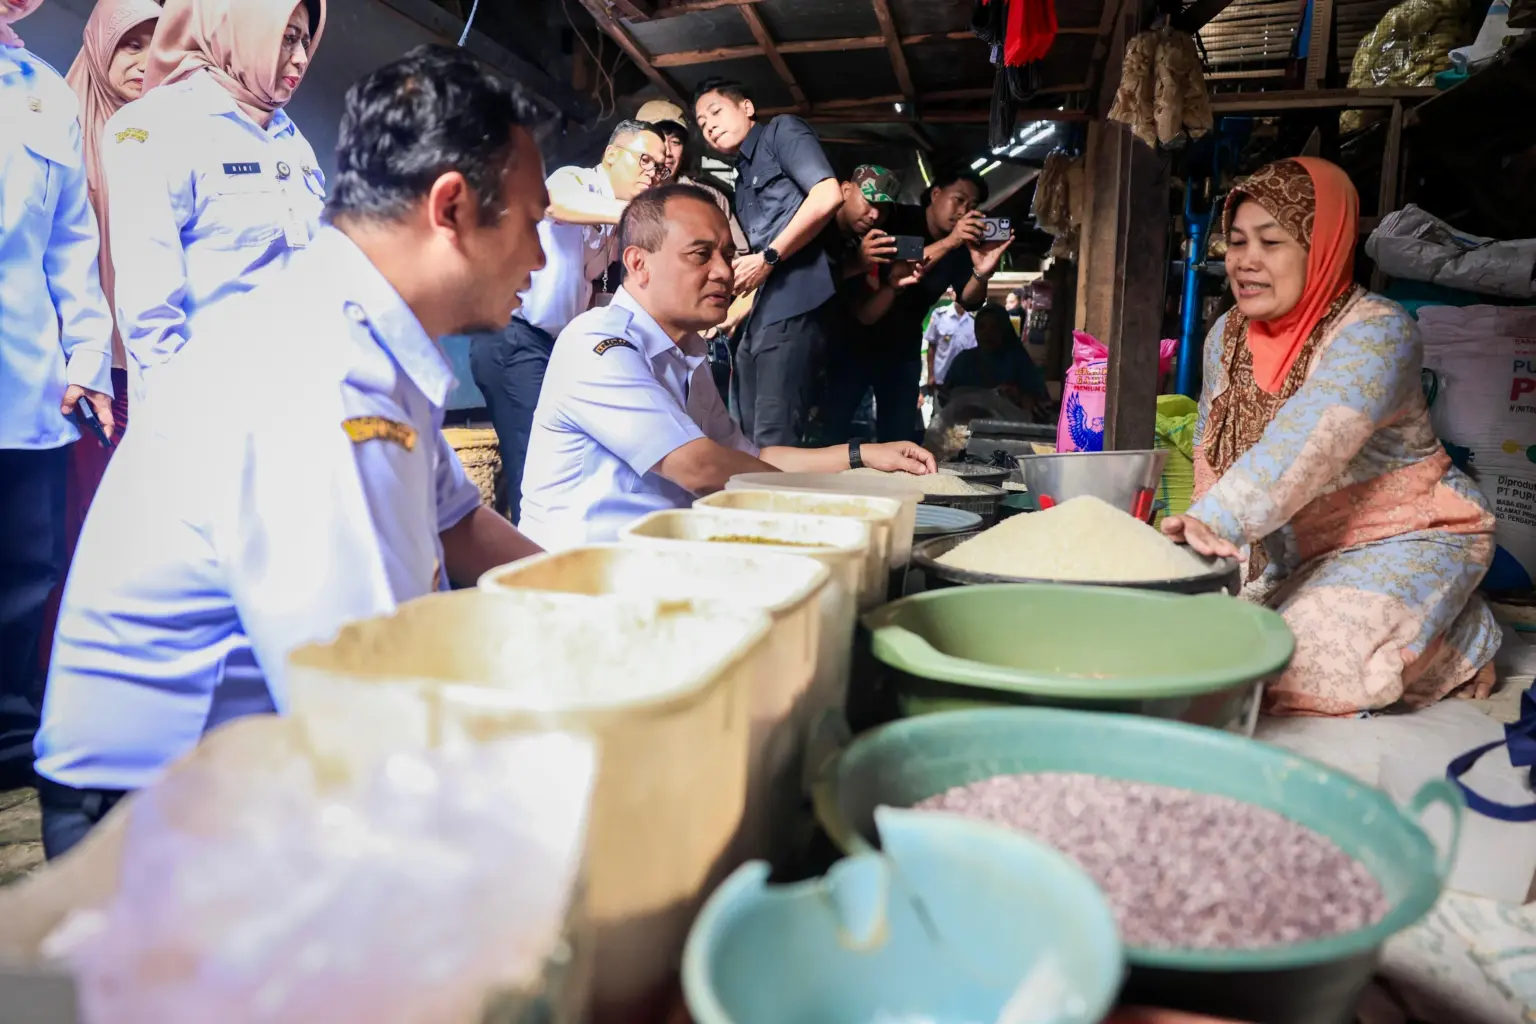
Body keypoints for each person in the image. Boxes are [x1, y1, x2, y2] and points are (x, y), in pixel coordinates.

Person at [36, 45, 548, 857]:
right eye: (532, 223)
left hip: (258, 761)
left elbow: (460, 526)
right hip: (153, 813)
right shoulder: (321, 369)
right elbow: (359, 707)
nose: (541, 260)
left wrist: (613, 602)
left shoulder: (359, 327)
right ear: (450, 207)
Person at [1161, 157, 1500, 716]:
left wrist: (1214, 522)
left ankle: (1461, 635)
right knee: (1210, 651)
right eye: (1238, 242)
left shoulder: (1378, 333)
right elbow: (1211, 449)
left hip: (1407, 535)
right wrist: (1197, 557)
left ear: (1323, 247)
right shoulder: (1227, 335)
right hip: (1293, 553)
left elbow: (1307, 442)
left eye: (1272, 242)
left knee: (1291, 670)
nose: (1246, 261)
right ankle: (1406, 616)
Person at [518, 184, 935, 551]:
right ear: (638, 263)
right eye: (701, 255)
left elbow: (748, 458)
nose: (724, 271)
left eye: (728, 255)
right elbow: (699, 467)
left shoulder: (688, 353)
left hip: (659, 567)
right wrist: (842, 498)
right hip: (582, 585)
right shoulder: (598, 343)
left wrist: (862, 456)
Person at [0, 0, 116, 791]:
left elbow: (72, 241)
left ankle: (11, 736)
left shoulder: (42, 91)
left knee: (24, 568)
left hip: (26, 372)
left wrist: (88, 354)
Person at [102, 0, 327, 404]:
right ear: (241, 28)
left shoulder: (293, 140)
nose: (300, 58)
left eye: (306, 44)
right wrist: (184, 412)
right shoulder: (159, 124)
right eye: (288, 39)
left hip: (297, 400)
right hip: (208, 407)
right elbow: (149, 309)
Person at [34, 0, 163, 683]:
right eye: (129, 46)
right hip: (82, 375)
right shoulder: (58, 121)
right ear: (100, 49)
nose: (145, 61)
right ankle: (71, 681)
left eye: (157, 43)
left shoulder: (178, 131)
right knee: (82, 533)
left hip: (161, 369)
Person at [470, 119, 663, 523]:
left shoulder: (614, 226)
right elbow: (553, 202)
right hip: (514, 338)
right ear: (612, 155)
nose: (652, 172)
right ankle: (532, 554)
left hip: (552, 346)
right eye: (645, 159)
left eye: (659, 167)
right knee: (533, 467)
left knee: (560, 461)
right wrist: (637, 214)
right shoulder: (576, 181)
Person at [695, 77, 844, 447]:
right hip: (764, 309)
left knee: (774, 434)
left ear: (746, 107)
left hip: (798, 299)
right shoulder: (741, 177)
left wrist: (770, 256)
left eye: (716, 112)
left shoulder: (782, 132)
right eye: (702, 123)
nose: (710, 125)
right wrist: (733, 312)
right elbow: (758, 263)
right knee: (745, 430)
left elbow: (827, 194)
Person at [823, 169, 1012, 443]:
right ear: (935, 194)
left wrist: (982, 273)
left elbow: (969, 300)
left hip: (902, 349)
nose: (963, 211)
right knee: (833, 429)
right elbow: (900, 268)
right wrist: (950, 242)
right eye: (959, 200)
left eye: (972, 206)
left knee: (898, 436)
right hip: (854, 340)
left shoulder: (962, 246)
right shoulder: (896, 218)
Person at [943, 303, 1048, 413]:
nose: (987, 333)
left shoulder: (1019, 362)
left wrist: (1019, 396)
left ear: (1004, 330)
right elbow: (945, 398)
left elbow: (1041, 404)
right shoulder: (964, 361)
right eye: (981, 327)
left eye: (994, 327)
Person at [923, 287, 977, 388]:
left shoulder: (973, 321)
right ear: (952, 294)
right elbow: (931, 347)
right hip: (941, 379)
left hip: (965, 381)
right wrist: (930, 375)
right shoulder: (939, 315)